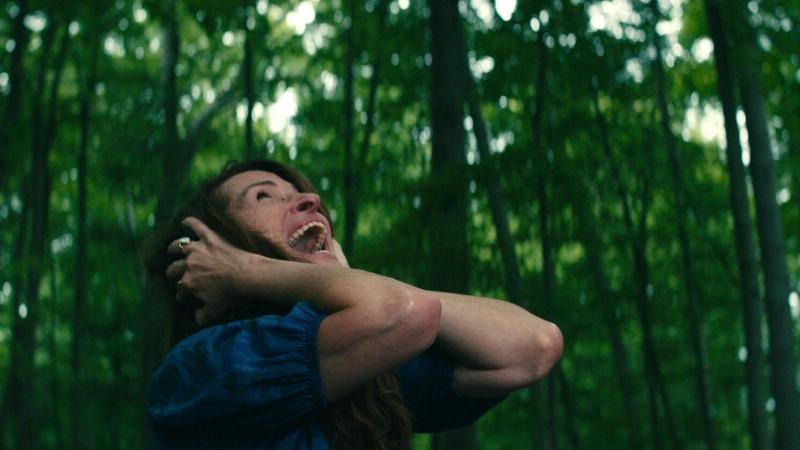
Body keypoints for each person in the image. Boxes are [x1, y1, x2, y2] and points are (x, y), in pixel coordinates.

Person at [141, 160, 563, 450]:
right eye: (264, 197)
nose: (309, 200)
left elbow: (536, 345)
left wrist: (257, 271)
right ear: (216, 247)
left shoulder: (373, 358)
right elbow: (406, 314)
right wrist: (243, 271)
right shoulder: (196, 372)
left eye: (301, 193)